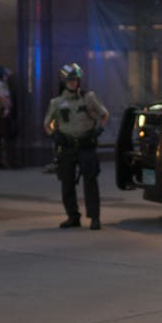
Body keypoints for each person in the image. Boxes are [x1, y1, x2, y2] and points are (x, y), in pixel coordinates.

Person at [43, 62, 110, 229]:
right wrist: (55, 135)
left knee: (91, 182)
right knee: (67, 182)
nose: (74, 83)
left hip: (86, 145)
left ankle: (94, 217)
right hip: (67, 147)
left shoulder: (88, 97)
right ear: (64, 81)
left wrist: (99, 130)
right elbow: (46, 124)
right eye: (71, 80)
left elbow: (104, 114)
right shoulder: (56, 102)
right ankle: (73, 216)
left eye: (76, 80)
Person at [0, 66, 16, 169]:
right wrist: (7, 109)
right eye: (5, 75)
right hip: (2, 113)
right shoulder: (1, 85)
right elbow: (4, 97)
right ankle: (11, 162)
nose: (7, 77)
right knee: (8, 137)